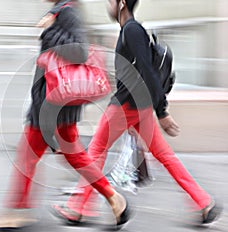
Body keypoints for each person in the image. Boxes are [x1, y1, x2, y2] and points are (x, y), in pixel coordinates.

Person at [51, 0, 222, 225]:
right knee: (165, 156)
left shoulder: (132, 29)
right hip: (137, 107)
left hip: (125, 105)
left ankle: (78, 207)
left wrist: (162, 111)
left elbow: (146, 69)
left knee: (95, 152)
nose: (107, 5)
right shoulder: (128, 30)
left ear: (122, 3)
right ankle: (203, 203)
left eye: (110, 1)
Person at [0, 0, 131, 230]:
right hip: (57, 106)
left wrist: (48, 33)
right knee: (74, 156)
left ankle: (18, 211)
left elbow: (79, 51)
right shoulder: (64, 10)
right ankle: (114, 198)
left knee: (26, 158)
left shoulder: (67, 11)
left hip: (51, 105)